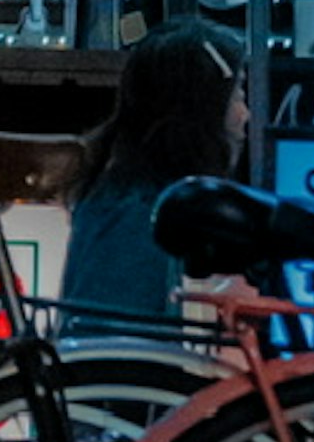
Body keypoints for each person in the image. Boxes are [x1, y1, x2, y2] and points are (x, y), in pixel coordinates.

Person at [53, 27, 241, 338]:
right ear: (204, 106)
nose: (244, 114)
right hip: (128, 379)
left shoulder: (116, 193)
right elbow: (121, 348)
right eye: (238, 94)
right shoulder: (149, 213)